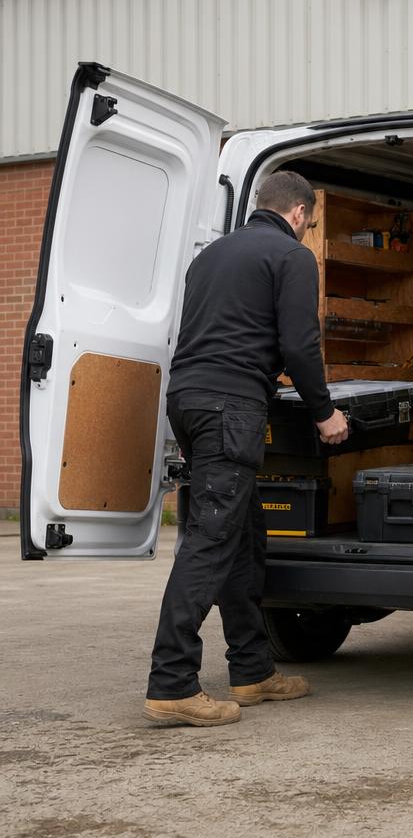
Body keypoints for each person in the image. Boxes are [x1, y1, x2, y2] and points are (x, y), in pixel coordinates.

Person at [143, 171, 348, 726]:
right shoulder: (291, 257)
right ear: (301, 213)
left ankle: (253, 670)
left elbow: (218, 330)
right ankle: (172, 684)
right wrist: (325, 412)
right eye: (310, 221)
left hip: (189, 400)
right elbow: (300, 345)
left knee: (243, 539)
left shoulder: (210, 256)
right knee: (209, 541)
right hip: (229, 409)